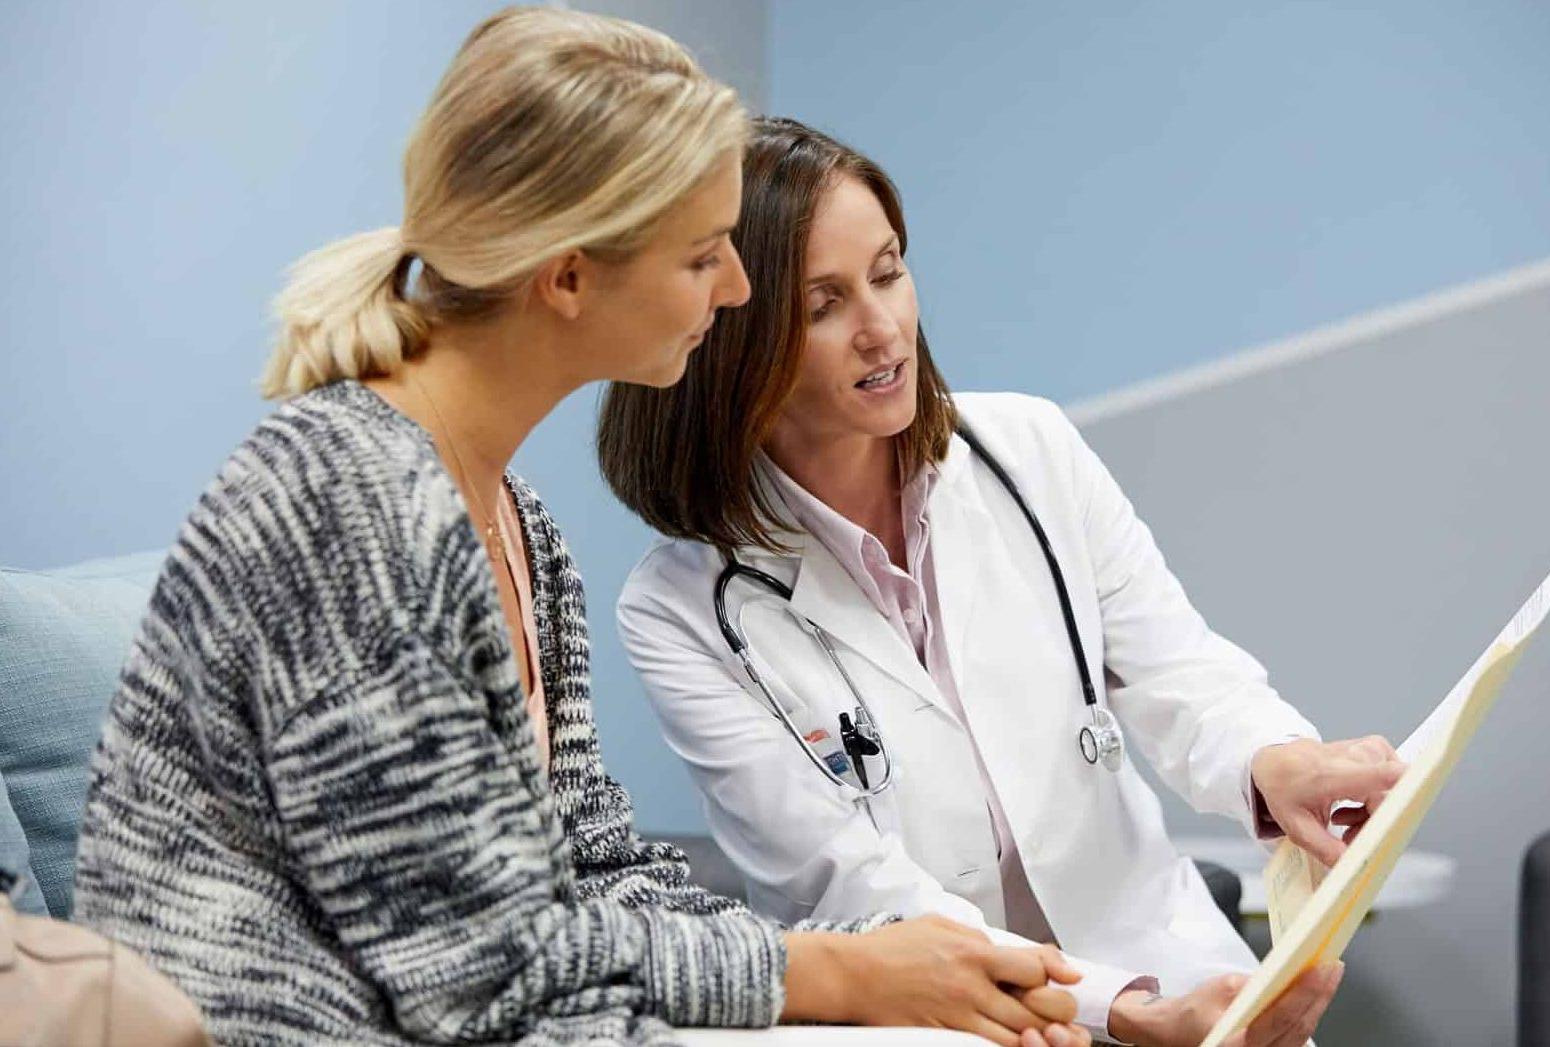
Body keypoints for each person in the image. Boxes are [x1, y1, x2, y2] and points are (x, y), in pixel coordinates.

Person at [71, 16, 1087, 1047]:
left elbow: (590, 872)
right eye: (702, 257)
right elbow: (475, 977)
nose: (738, 290)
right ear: (566, 278)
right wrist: (821, 973)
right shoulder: (349, 509)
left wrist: (883, 965)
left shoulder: (518, 528)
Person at [602, 117, 1396, 1046]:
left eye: (889, 272)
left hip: (1175, 969)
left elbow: (1181, 672)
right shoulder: (683, 609)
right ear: (732, 341)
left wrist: (1275, 760)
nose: (881, 326)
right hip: (928, 1022)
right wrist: (1122, 1013)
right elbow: (851, 882)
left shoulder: (1029, 451)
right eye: (823, 304)